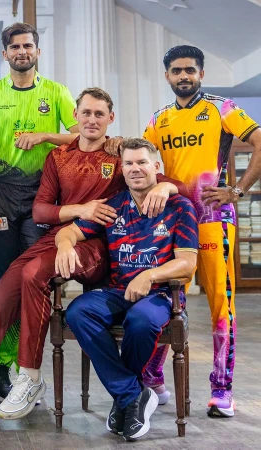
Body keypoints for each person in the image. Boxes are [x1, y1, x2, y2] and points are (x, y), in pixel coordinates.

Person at [0, 88, 186, 425]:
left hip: (99, 244)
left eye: (99, 114)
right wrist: (80, 209)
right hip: (60, 237)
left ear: (110, 118)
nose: (92, 120)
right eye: (86, 113)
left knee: (34, 273)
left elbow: (178, 187)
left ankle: (30, 376)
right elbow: (41, 211)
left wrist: (165, 186)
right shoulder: (58, 157)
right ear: (75, 116)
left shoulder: (118, 155)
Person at [143, 45, 261, 417]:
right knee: (166, 300)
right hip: (175, 221)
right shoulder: (159, 119)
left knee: (220, 306)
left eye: (190, 70)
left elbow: (259, 141)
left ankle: (222, 390)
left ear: (201, 74)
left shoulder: (221, 109)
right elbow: (143, 160)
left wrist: (237, 190)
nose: (184, 76)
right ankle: (152, 377)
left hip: (213, 218)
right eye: (177, 70)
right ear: (167, 75)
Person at [58, 137, 198, 441]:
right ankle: (133, 394)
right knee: (78, 313)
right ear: (122, 169)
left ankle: (126, 398)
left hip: (162, 295)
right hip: (118, 291)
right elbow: (69, 231)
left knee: (141, 320)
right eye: (129, 163)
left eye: (142, 162)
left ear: (156, 166)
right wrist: (65, 246)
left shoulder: (180, 207)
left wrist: (149, 275)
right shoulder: (113, 206)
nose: (135, 168)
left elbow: (188, 264)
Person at [0, 22, 81, 400]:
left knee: (33, 282)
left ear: (37, 51)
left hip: (42, 196)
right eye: (15, 47)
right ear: (5, 54)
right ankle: (2, 365)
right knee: (8, 281)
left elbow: (80, 136)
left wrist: (45, 136)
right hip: (2, 195)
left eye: (28, 46)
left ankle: (21, 367)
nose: (22, 51)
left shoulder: (56, 92)